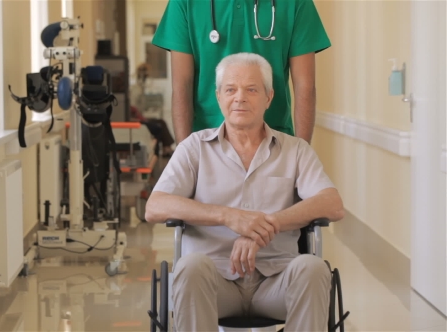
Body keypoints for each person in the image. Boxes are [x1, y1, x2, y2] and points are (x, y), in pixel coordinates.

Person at [145, 53, 344, 331]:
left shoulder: (295, 150)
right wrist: (228, 217)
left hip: (276, 282)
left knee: (313, 268)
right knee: (189, 267)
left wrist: (266, 226)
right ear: (218, 96)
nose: (240, 98)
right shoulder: (194, 148)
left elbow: (332, 204)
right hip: (214, 283)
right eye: (230, 89)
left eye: (251, 89)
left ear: (269, 97)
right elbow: (155, 207)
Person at [152, 0, 331, 144]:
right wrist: (185, 156)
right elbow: (182, 85)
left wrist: (301, 156)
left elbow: (305, 86)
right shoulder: (184, 3)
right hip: (207, 143)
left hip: (272, 143)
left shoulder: (296, 3)